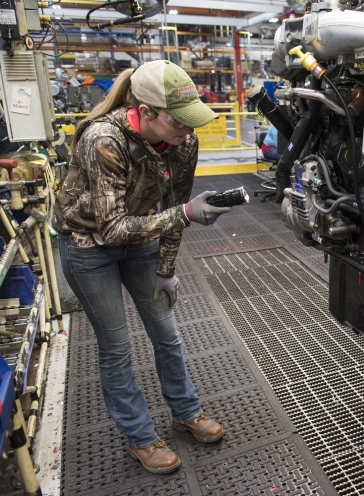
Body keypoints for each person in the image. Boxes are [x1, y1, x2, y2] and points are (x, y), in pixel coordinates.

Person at [54, 60, 233, 474]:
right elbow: (115, 227)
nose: (188, 130)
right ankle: (140, 437)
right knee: (116, 347)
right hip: (88, 246)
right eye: (179, 121)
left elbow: (174, 206)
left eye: (192, 120)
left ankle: (186, 412)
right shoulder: (104, 140)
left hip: (140, 240)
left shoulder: (183, 143)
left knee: (166, 333)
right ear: (146, 112)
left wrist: (167, 268)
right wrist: (185, 215)